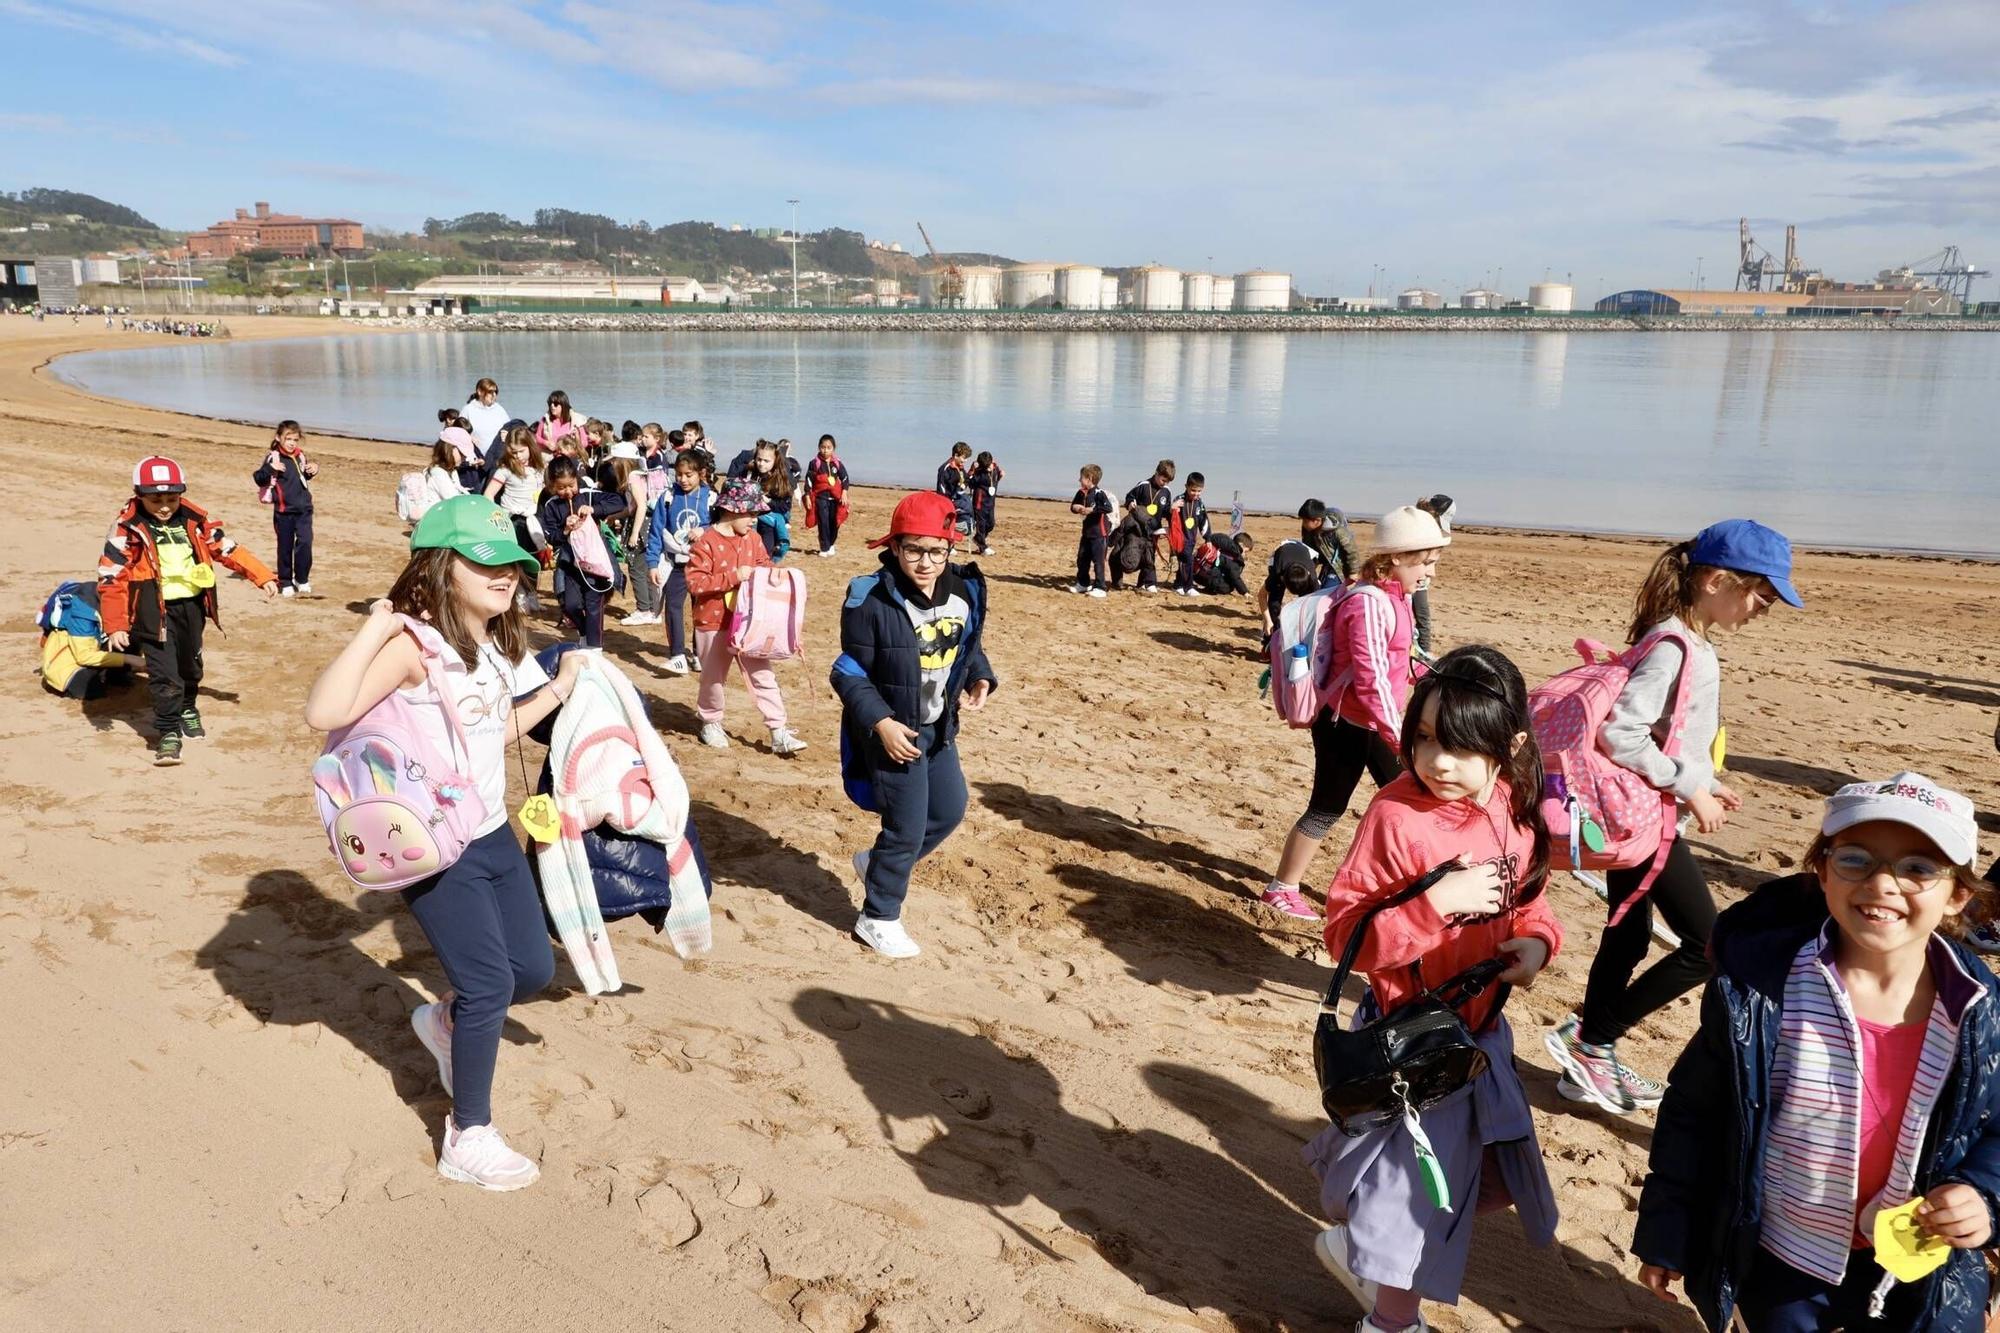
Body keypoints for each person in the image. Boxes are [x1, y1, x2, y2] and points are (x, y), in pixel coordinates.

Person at [1633, 773, 2000, 1331]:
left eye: (1918, 868)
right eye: (1856, 859)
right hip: (1785, 1252)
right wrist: (1669, 1230)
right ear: (1821, 871)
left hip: (1924, 1263)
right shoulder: (1761, 992)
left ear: (1958, 894)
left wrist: (1983, 1194)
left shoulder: (1980, 1010)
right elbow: (1695, 1113)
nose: (1883, 883)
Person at [304, 495, 586, 1192]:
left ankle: (443, 1021)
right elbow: (324, 710)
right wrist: (376, 628)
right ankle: (469, 1134)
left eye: (513, 562)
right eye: (484, 561)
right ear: (438, 565)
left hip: (491, 830)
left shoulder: (491, 641)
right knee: (489, 982)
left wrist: (560, 689)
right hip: (435, 843)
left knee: (531, 972)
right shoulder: (413, 645)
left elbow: (493, 732)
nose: (506, 574)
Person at [1306, 645, 1563, 1333]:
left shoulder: (1515, 809)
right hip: (1408, 1040)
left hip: (1481, 1038)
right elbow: (1344, 934)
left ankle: (1359, 1233)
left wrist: (1536, 943)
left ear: (1508, 745)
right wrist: (1434, 902)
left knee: (1494, 1178)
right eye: (1423, 738)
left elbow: (1531, 901)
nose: (1435, 761)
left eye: (1458, 745)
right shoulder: (1396, 815)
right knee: (1417, 1202)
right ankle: (1391, 1320)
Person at [1545, 520, 1801, 1115]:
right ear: (1716, 580)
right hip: (1647, 820)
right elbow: (1622, 734)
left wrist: (1708, 783)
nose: (1765, 609)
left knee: (1628, 930)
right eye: (1762, 594)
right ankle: (1591, 1039)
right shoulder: (1674, 645)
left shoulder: (1684, 640)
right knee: (1707, 945)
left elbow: (1671, 733)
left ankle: (1587, 1057)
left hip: (1649, 814)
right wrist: (1691, 786)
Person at [1261, 505, 1447, 921]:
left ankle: (1408, 885)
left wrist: (1432, 674)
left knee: (1412, 800)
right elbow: (1371, 676)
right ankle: (1282, 888)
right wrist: (1397, 732)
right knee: (1328, 806)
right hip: (1345, 724)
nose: (1431, 573)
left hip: (1374, 722)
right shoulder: (1366, 603)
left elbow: (1399, 659)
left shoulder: (1397, 598)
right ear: (1396, 557)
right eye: (1426, 562)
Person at [831, 491, 996, 959]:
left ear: (951, 548)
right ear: (895, 546)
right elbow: (846, 671)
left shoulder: (965, 592)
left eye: (935, 551)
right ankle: (877, 918)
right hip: (891, 731)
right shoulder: (870, 599)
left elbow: (966, 646)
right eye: (913, 550)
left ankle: (876, 865)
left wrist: (981, 676)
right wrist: (880, 723)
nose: (925, 562)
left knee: (948, 809)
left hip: (938, 728)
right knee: (904, 827)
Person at [100, 456, 279, 765]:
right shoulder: (126, 528)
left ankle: (188, 706)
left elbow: (228, 550)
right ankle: (168, 733)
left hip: (192, 606)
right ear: (139, 495)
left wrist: (261, 576)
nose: (165, 506)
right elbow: (111, 576)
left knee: (190, 664)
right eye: (155, 499)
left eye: (172, 498)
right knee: (163, 673)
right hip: (152, 610)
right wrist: (115, 624)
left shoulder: (194, 521)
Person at [684, 477, 807, 755]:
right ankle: (711, 722)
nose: (754, 519)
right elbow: (695, 583)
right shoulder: (706, 542)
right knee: (713, 678)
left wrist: (775, 576)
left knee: (763, 675)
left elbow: (763, 566)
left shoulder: (753, 539)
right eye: (751, 513)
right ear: (733, 510)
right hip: (713, 622)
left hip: (752, 622)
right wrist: (733, 576)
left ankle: (778, 731)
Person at [537, 456, 626, 650]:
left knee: (593, 603)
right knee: (571, 605)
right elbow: (551, 536)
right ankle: (585, 634)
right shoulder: (551, 505)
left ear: (577, 479)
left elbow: (619, 502)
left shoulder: (588, 494)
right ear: (552, 486)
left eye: (571, 485)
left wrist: (594, 509)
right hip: (571, 563)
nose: (568, 491)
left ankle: (595, 648)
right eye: (561, 488)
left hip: (595, 559)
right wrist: (565, 530)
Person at [645, 451, 712, 678]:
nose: (683, 479)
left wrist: (705, 529)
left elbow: (723, 525)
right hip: (676, 564)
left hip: (703, 565)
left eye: (689, 475)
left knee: (701, 610)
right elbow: (655, 532)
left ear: (701, 474)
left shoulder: (710, 497)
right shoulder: (667, 498)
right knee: (673, 607)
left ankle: (699, 654)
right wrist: (653, 563)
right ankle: (677, 656)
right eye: (679, 474)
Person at [482, 426, 546, 612]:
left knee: (534, 561)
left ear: (530, 447)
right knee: (517, 561)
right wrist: (498, 517)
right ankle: (519, 597)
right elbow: (489, 494)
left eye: (521, 451)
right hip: (513, 520)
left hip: (533, 521)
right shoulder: (505, 470)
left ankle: (532, 596)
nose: (518, 456)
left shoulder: (539, 469)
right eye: (514, 452)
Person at [252, 418, 318, 598]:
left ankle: (301, 579)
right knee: (285, 547)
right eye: (288, 439)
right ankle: (286, 581)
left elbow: (303, 477)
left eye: (295, 440)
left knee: (305, 543)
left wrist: (312, 469)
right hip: (283, 511)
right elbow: (258, 478)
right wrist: (270, 469)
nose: (292, 443)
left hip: (304, 509)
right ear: (279, 438)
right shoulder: (273, 457)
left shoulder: (300, 455)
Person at [609, 453, 661, 627]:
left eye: (615, 460)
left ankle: (643, 610)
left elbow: (640, 506)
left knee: (636, 569)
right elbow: (632, 508)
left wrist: (634, 534)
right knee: (645, 569)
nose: (613, 464)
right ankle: (653, 610)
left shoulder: (632, 477)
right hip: (649, 525)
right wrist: (613, 516)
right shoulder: (641, 474)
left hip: (641, 527)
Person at [1411, 495, 1457, 664]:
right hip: (1413, 579)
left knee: (1419, 616)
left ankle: (1422, 652)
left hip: (1419, 580)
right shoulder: (1418, 528)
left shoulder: (1424, 525)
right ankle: (1422, 653)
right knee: (1420, 616)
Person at [1119, 459, 1176, 595]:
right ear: (1156, 473)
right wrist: (1130, 504)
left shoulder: (1166, 492)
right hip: (1138, 528)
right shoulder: (1143, 485)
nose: (1165, 484)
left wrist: (1171, 520)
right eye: (1163, 480)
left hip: (1154, 529)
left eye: (1167, 482)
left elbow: (1167, 511)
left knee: (1150, 555)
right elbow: (1129, 497)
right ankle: (1139, 580)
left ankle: (1148, 583)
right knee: (1138, 553)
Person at [1260, 535, 1326, 644]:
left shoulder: (1312, 579)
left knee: (1308, 601)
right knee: (1274, 604)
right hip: (1282, 551)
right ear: (1283, 580)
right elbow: (1261, 595)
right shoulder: (1277, 574)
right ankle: (1269, 640)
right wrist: (1267, 620)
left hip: (1305, 551)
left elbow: (1317, 605)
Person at [747, 439, 797, 561]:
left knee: (765, 554)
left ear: (775, 461)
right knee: (749, 551)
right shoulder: (750, 473)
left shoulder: (781, 480)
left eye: (766, 461)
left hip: (769, 523)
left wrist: (768, 501)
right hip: (750, 520)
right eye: (759, 459)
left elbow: (785, 507)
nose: (761, 464)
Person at [1069, 463, 1114, 598]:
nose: (1079, 480)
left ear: (1089, 478)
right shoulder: (1081, 492)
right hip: (1087, 533)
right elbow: (1073, 506)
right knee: (1082, 558)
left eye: (1081, 478)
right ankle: (1083, 583)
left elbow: (1108, 508)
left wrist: (1092, 510)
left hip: (1099, 534)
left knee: (1098, 561)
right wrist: (1076, 508)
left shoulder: (1099, 494)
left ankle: (1100, 586)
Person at [806, 434, 850, 557]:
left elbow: (845, 478)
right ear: (819, 447)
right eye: (823, 447)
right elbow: (809, 480)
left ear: (833, 449)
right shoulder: (815, 463)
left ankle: (831, 544)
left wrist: (844, 492)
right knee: (823, 523)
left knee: (834, 522)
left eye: (828, 447)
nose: (825, 450)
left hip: (835, 499)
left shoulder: (837, 463)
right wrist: (808, 496)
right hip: (821, 498)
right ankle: (824, 547)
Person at [1299, 498, 1361, 587]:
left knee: (1327, 591)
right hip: (1327, 563)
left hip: (1339, 566)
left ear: (1317, 520)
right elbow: (1309, 549)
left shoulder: (1338, 531)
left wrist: (1353, 572)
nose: (1303, 524)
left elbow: (1351, 551)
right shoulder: (1308, 530)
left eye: (1305, 521)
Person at [1172, 471, 1211, 597]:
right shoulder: (1179, 500)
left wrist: (1208, 538)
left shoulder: (1200, 504)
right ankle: (1188, 586)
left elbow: (1204, 522)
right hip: (1179, 538)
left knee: (1184, 562)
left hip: (1191, 538)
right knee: (1187, 561)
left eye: (1199, 491)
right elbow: (1171, 517)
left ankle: (1178, 584)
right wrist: (1172, 508)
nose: (1196, 494)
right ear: (1186, 487)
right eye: (1193, 490)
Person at [1195, 531, 1254, 597]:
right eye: (1245, 551)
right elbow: (1235, 577)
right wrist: (1244, 592)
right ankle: (1210, 588)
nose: (1244, 554)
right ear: (1241, 545)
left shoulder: (1221, 542)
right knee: (1228, 587)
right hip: (1206, 577)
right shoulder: (1234, 557)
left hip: (1195, 571)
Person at [461, 377, 511, 452]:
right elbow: (458, 433)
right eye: (490, 392)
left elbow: (510, 428)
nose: (494, 395)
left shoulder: (499, 409)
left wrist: (508, 434)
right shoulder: (468, 410)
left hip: (497, 457)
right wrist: (469, 438)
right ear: (480, 392)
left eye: (495, 392)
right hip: (476, 457)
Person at [935, 441, 974, 539]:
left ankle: (953, 531)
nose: (965, 461)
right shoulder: (945, 468)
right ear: (956, 455)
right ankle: (945, 529)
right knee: (967, 510)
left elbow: (965, 480)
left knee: (970, 511)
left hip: (958, 497)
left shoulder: (960, 467)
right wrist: (945, 503)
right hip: (948, 500)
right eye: (964, 458)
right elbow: (941, 488)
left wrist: (971, 472)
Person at [968, 449, 1003, 556]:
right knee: (981, 525)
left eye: (990, 465)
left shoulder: (995, 469)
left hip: (990, 502)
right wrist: (972, 471)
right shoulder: (978, 473)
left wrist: (1000, 475)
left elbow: (997, 478)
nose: (989, 468)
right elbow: (970, 483)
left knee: (991, 524)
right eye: (986, 467)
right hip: (979, 504)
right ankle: (983, 547)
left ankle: (979, 539)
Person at [423, 437, 469, 510]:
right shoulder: (438, 473)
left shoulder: (452, 471)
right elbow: (453, 500)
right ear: (449, 450)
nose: (465, 457)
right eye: (461, 453)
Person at [534, 390, 582, 458]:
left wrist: (577, 439)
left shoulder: (576, 420)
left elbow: (584, 442)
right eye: (550, 403)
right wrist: (546, 443)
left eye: (555, 404)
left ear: (563, 404)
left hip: (570, 457)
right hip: (550, 456)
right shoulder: (545, 419)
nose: (552, 406)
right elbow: (537, 437)